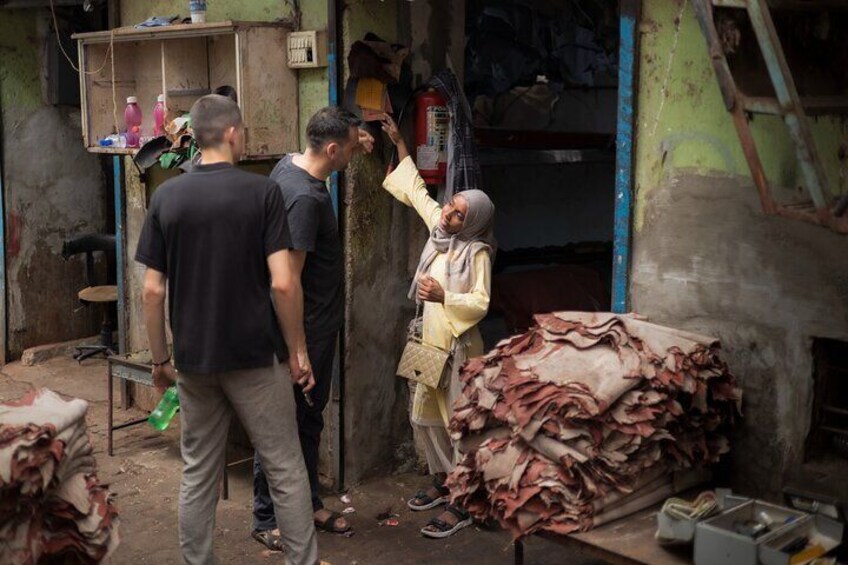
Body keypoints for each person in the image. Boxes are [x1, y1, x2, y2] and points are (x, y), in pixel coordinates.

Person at [135, 94, 319, 565]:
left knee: (198, 472)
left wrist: (160, 361)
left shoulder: (166, 196)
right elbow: (283, 282)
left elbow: (152, 291)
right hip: (257, 356)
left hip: (195, 360)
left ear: (194, 136)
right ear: (234, 133)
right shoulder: (263, 193)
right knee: (285, 468)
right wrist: (297, 352)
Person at [252, 107, 375, 550]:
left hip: (309, 328)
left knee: (305, 421)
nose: (355, 152)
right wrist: (297, 350)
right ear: (331, 148)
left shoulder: (288, 166)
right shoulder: (307, 199)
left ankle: (307, 504)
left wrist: (361, 137)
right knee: (285, 423)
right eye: (351, 145)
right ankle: (267, 518)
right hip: (304, 330)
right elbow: (289, 280)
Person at [380, 113, 496, 539]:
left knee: (459, 427)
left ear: (473, 223)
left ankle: (464, 501)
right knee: (426, 419)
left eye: (459, 214)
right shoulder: (439, 232)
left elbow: (481, 302)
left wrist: (445, 297)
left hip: (460, 352)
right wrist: (400, 145)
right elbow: (417, 194)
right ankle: (446, 482)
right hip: (430, 346)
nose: (448, 213)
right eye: (452, 206)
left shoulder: (477, 253)